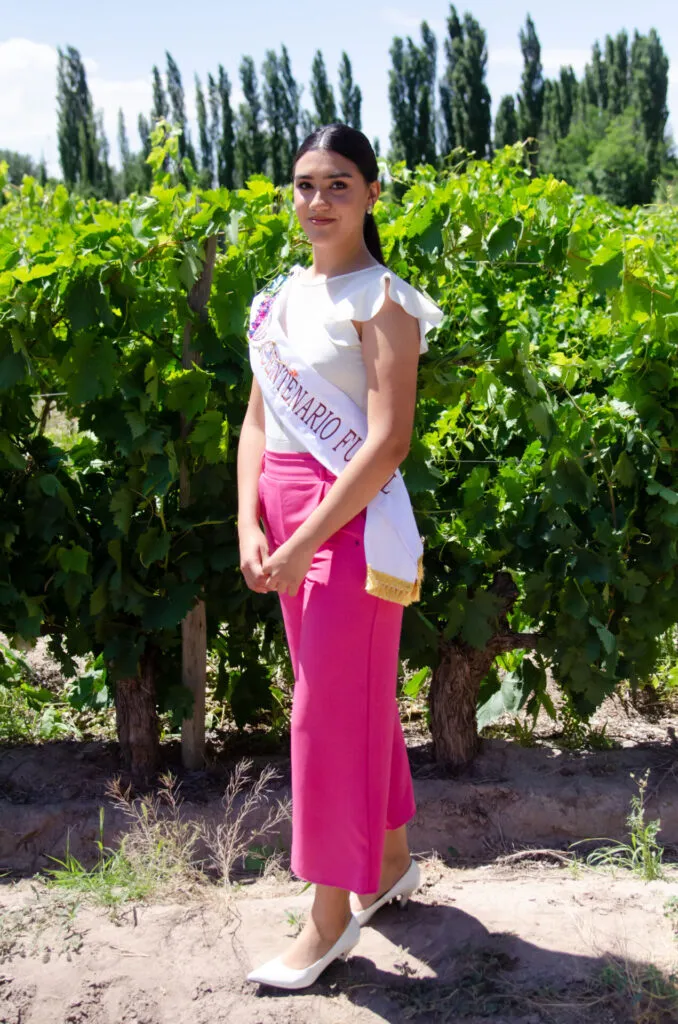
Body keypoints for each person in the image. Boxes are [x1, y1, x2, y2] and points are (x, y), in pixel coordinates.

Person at [237, 123, 444, 990]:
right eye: (304, 185)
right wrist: (246, 524)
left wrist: (298, 541)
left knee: (324, 715)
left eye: (338, 185)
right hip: (283, 514)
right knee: (349, 700)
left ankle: (328, 919)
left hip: (347, 527)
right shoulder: (279, 296)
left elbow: (388, 443)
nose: (316, 201)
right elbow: (256, 422)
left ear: (371, 195)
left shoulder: (383, 300)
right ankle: (390, 862)